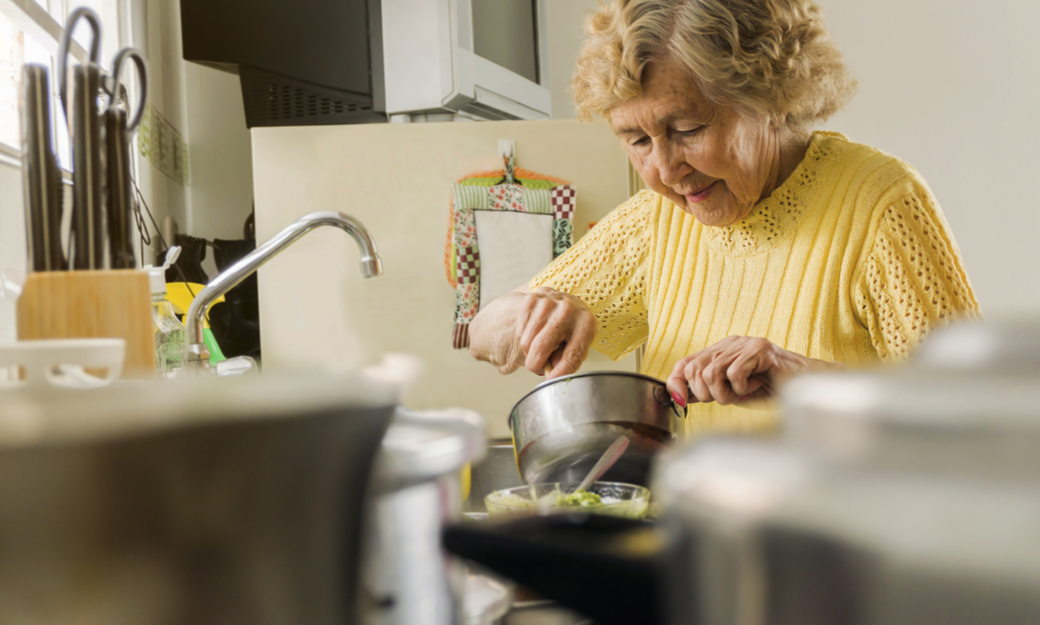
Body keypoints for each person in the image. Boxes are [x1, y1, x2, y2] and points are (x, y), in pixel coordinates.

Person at [468, 0, 979, 436]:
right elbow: (483, 332)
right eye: (638, 141)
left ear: (771, 99)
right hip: (696, 537)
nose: (665, 171)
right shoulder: (655, 222)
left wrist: (803, 379)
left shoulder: (879, 204)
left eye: (688, 128)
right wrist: (535, 311)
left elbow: (976, 425)